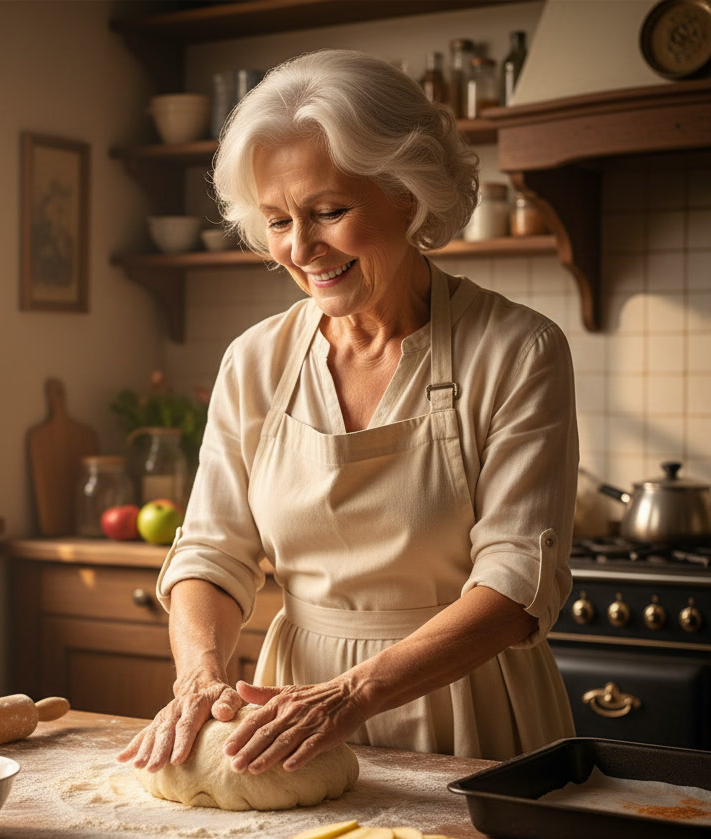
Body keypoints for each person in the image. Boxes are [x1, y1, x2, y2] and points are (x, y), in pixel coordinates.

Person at [117, 49, 578, 780]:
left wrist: (351, 696)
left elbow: (517, 582)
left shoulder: (518, 349)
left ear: (408, 193)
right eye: (277, 220)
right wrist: (198, 677)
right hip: (287, 713)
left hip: (470, 711)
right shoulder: (255, 361)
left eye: (329, 212)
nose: (301, 249)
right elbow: (212, 552)